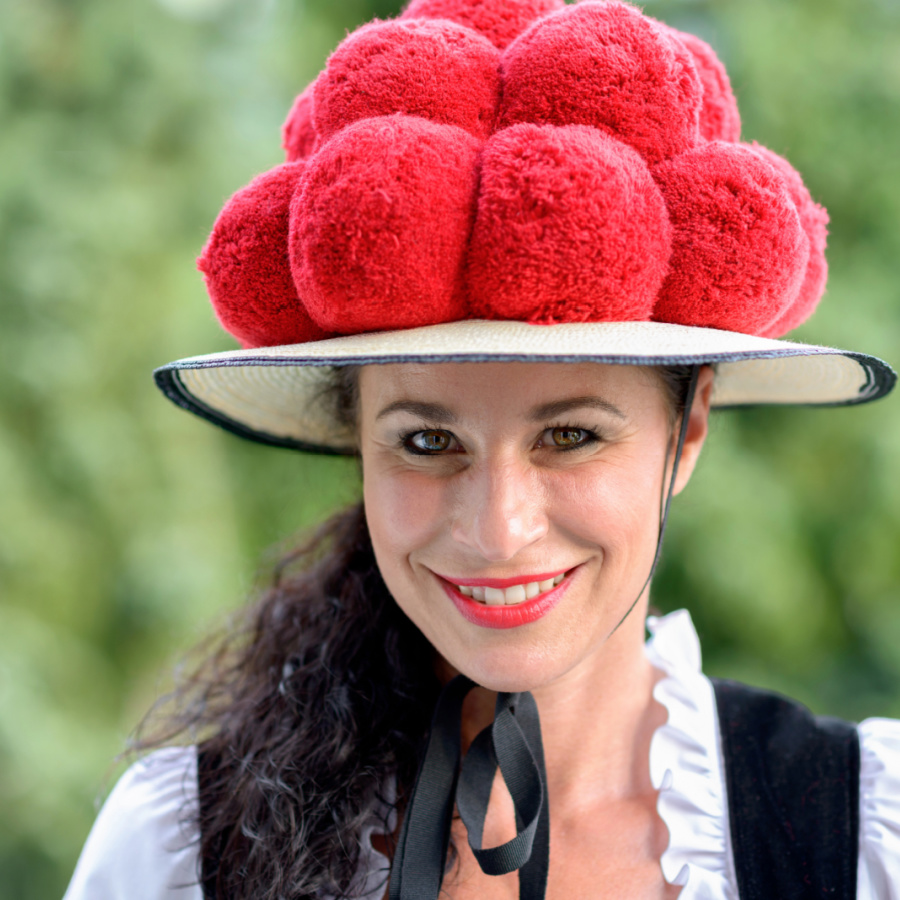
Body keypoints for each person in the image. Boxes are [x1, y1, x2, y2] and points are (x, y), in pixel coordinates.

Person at [63, 1, 900, 898]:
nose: (498, 529)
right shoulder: (181, 848)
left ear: (686, 432)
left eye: (570, 436)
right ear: (360, 446)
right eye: (427, 442)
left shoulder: (856, 834)